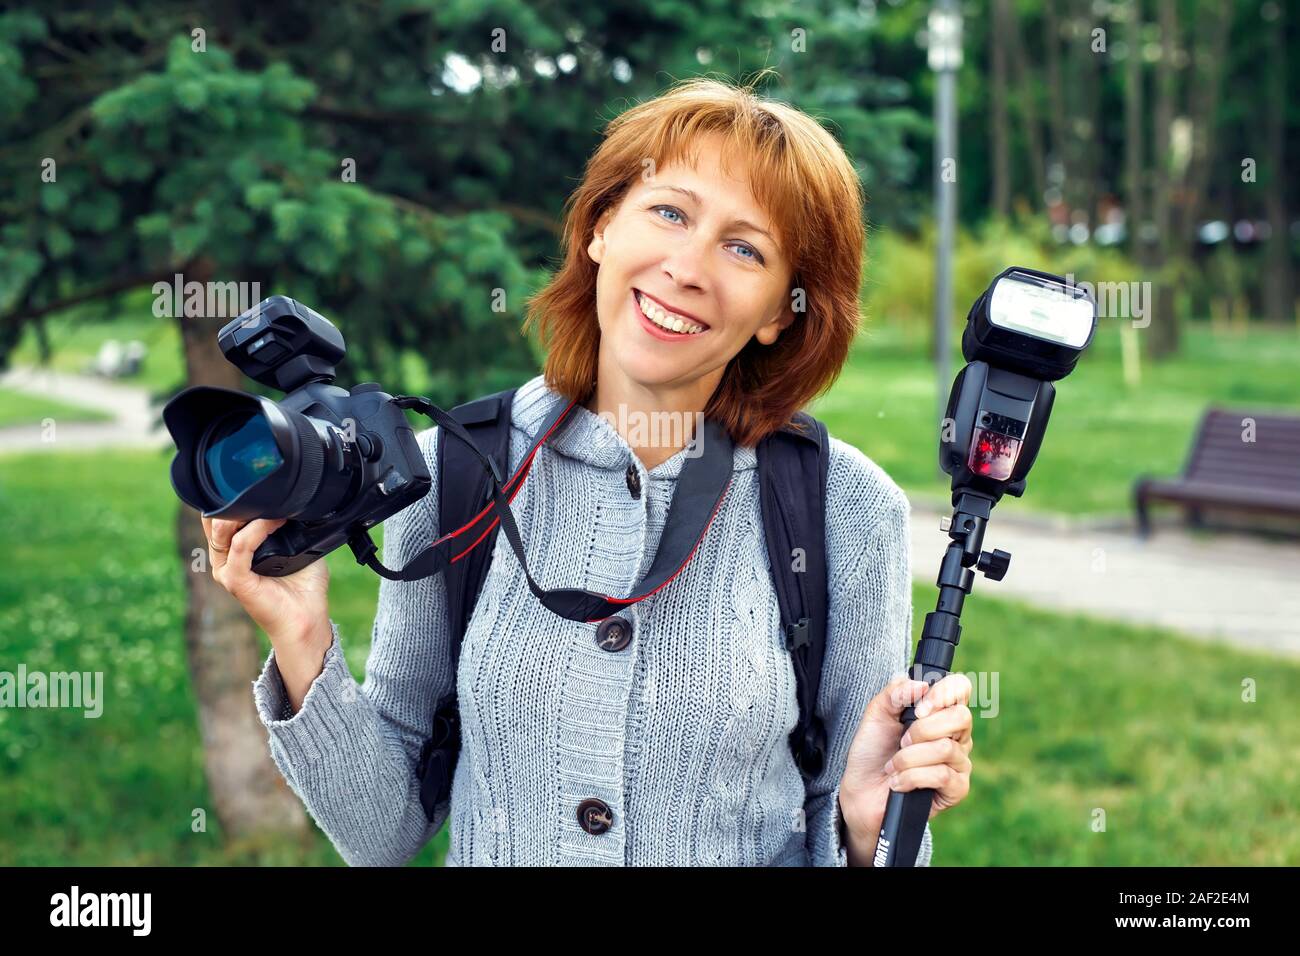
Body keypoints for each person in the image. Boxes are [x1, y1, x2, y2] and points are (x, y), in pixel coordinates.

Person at [201, 76, 973, 866]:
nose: (687, 267)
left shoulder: (839, 506)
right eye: (669, 212)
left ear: (783, 310)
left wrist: (868, 832)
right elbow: (386, 831)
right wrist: (301, 637)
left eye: (746, 248)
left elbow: (845, 817)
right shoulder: (456, 473)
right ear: (603, 226)